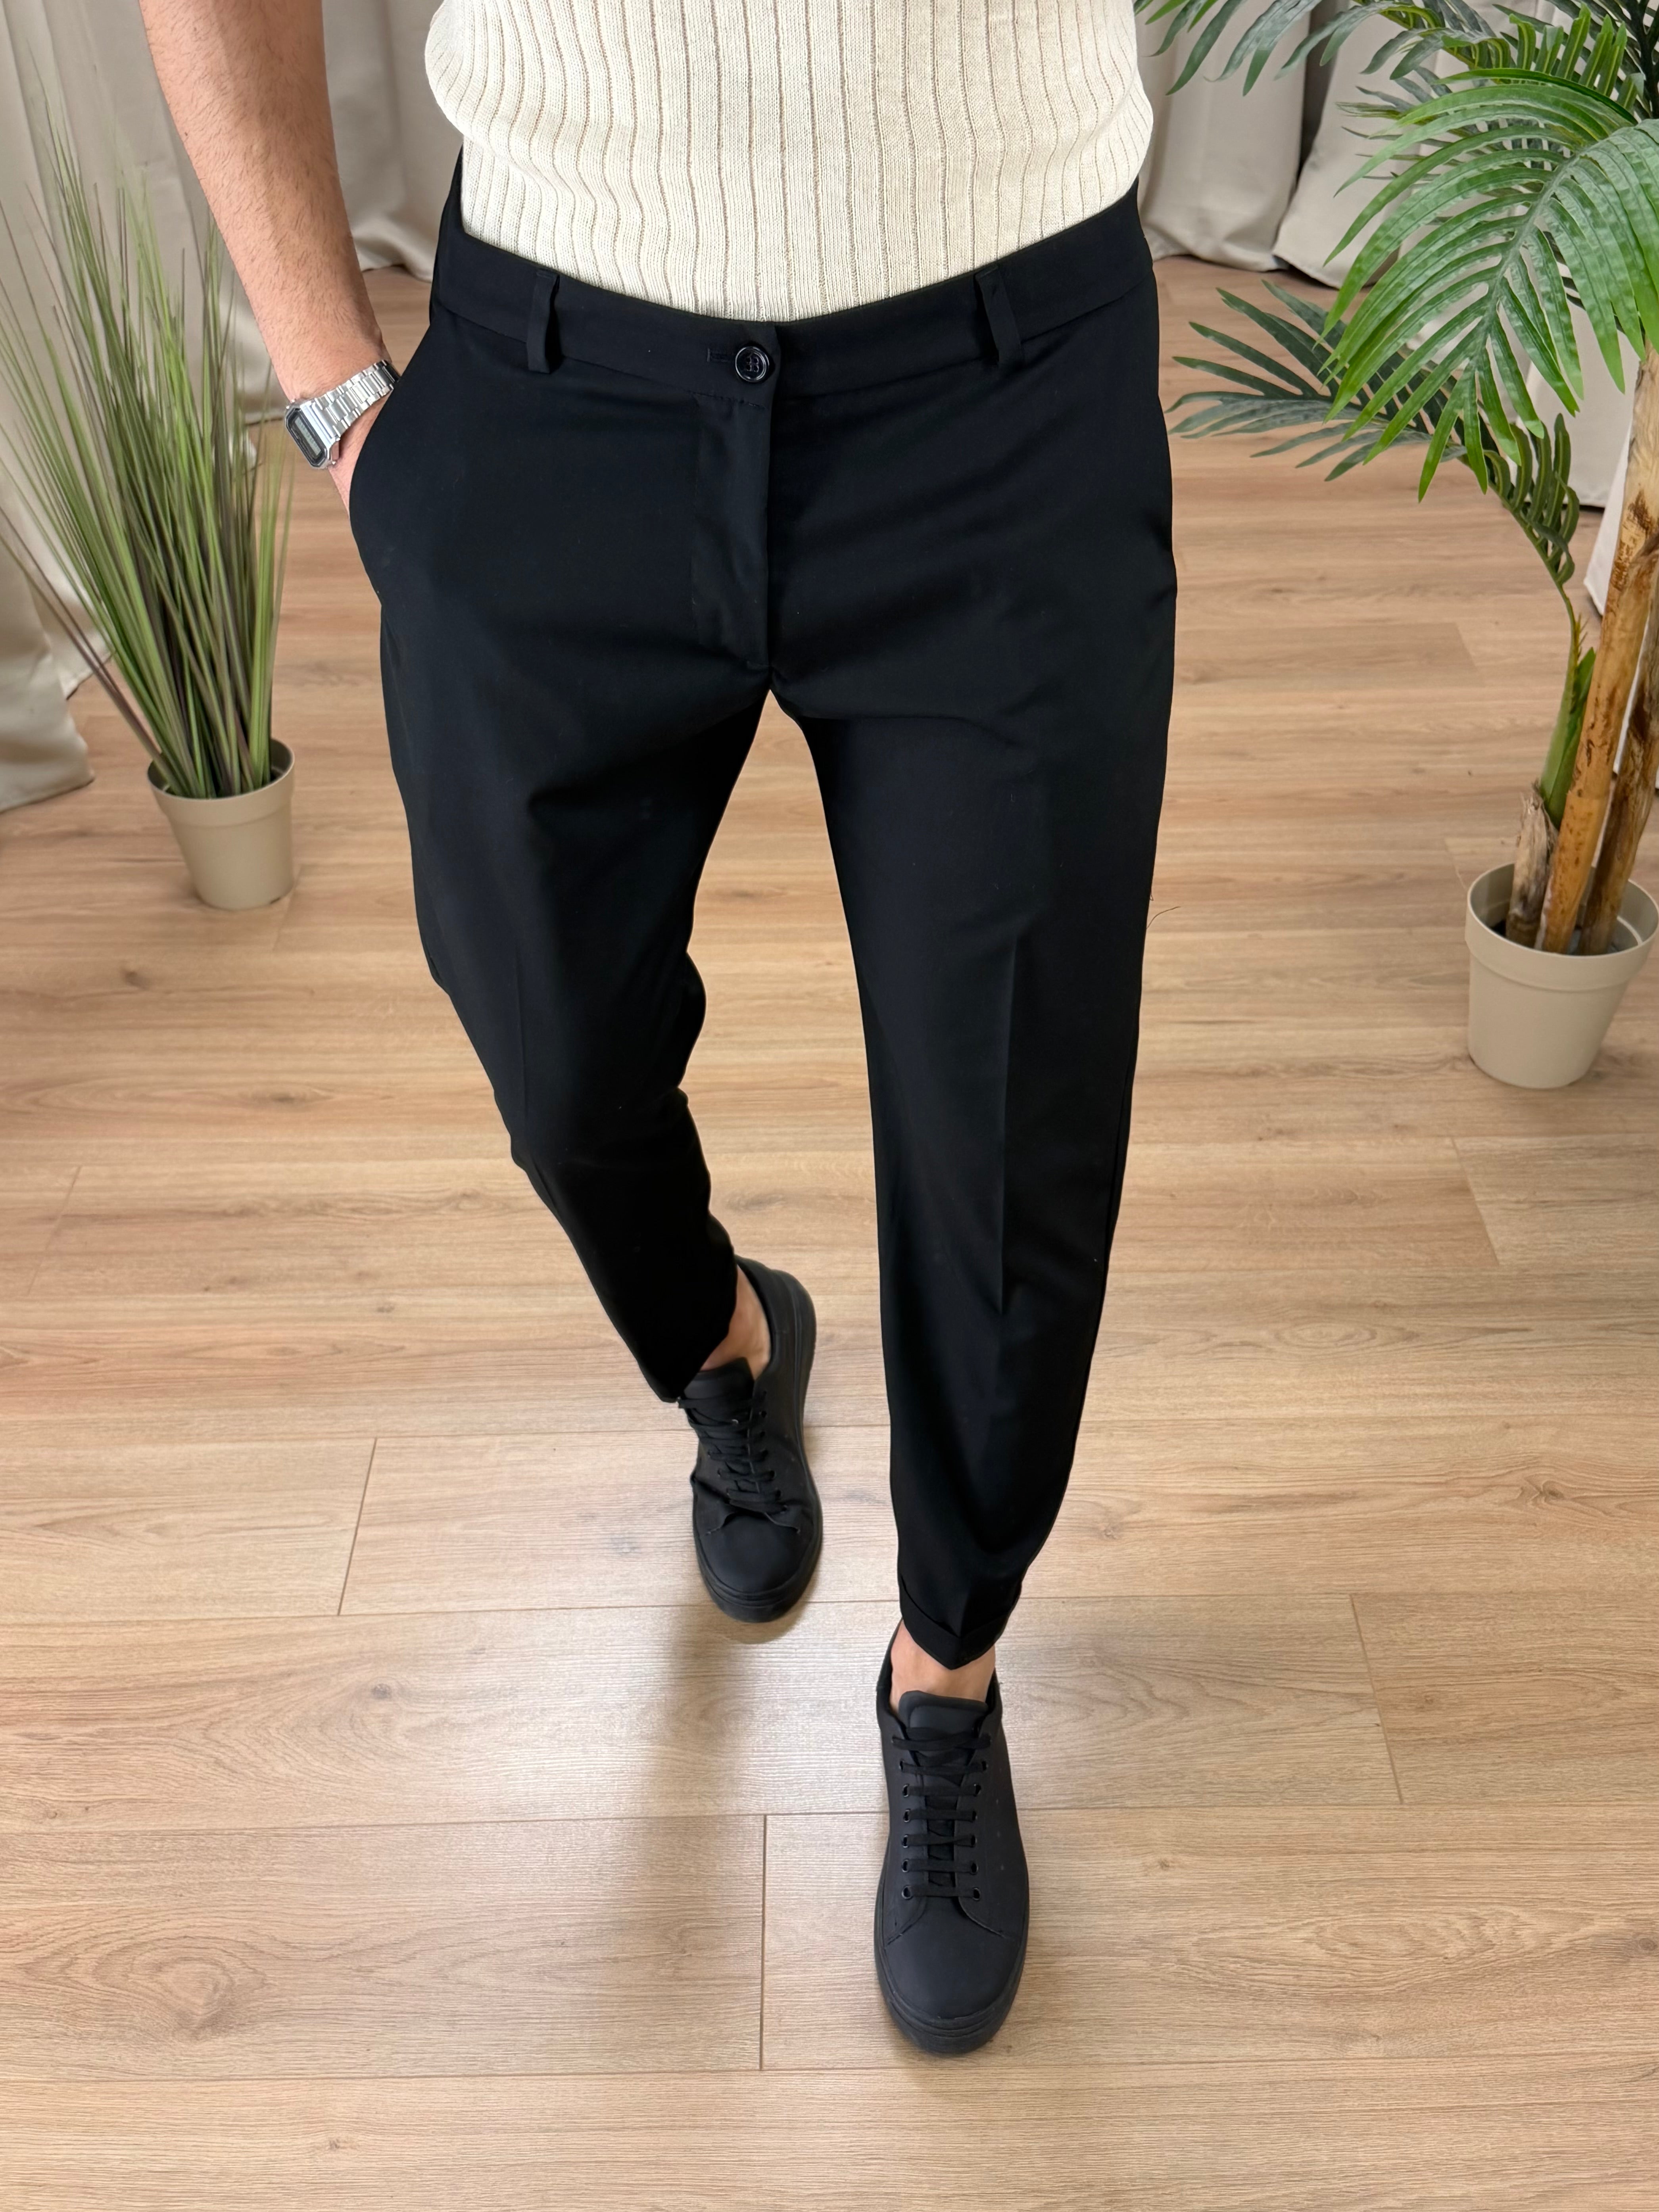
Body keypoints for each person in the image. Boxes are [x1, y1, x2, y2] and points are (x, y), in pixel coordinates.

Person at [139, 0, 1175, 2055]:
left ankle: (947, 1671)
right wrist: (337, 389)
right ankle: (723, 1342)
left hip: (1004, 375)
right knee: (552, 1048)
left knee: (1010, 1127)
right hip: (555, 369)